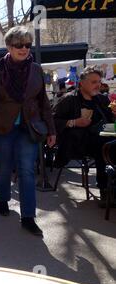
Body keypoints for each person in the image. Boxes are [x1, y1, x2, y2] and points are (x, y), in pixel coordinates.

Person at [0, 26, 56, 237]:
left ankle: (28, 217)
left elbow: (43, 102)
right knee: (4, 167)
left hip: (29, 128)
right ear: (9, 47)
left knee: (27, 171)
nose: (24, 49)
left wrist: (51, 129)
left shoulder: (36, 70)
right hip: (3, 128)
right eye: (18, 45)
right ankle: (3, 199)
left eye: (27, 45)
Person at [53, 66, 116, 206]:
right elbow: (53, 122)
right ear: (82, 83)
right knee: (104, 146)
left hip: (103, 138)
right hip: (77, 143)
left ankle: (113, 188)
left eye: (99, 81)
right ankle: (105, 190)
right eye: (94, 82)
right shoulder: (69, 100)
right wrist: (74, 122)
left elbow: (110, 124)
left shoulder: (103, 100)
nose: (98, 85)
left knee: (109, 144)